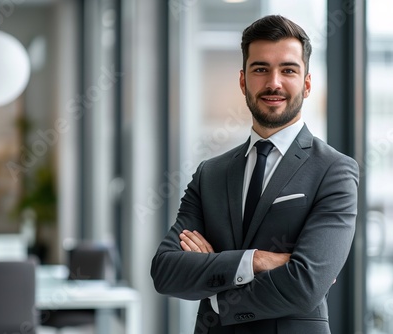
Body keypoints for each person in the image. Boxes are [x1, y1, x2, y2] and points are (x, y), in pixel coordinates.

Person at [151, 14, 359, 334]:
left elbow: (306, 284)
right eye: (260, 69)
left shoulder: (334, 170)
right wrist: (257, 261)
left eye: (288, 70)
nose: (273, 83)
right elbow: (166, 271)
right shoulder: (211, 174)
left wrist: (219, 295)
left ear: (306, 84)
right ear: (243, 81)